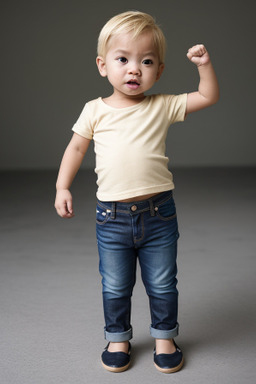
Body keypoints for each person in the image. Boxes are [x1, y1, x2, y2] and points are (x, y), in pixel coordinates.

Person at [54, 10, 219, 374]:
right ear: (102, 65)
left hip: (158, 213)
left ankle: (164, 335)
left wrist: (204, 65)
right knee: (115, 282)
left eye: (146, 62)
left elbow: (208, 96)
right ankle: (118, 336)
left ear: (158, 71)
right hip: (111, 217)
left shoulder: (162, 105)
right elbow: (76, 149)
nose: (134, 69)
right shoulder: (94, 110)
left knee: (162, 281)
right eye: (123, 59)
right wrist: (62, 186)